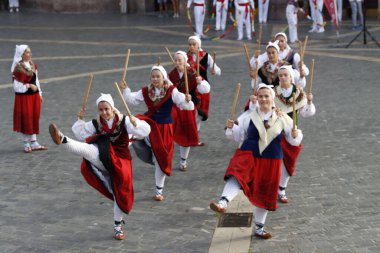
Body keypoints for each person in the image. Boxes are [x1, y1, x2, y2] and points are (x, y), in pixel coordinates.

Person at [48, 93, 151, 240]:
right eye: (101, 110)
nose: (104, 112)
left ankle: (117, 227)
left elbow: (145, 131)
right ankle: (62, 139)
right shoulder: (97, 122)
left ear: (112, 108)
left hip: (121, 160)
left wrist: (137, 124)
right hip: (104, 155)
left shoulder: (124, 120)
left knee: (119, 194)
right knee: (89, 150)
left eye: (106, 109)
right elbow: (80, 132)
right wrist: (80, 119)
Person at [210, 83, 303, 239]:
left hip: (271, 159)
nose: (263, 99)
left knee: (265, 191)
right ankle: (223, 202)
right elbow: (238, 135)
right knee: (236, 174)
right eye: (260, 96)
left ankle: (259, 228)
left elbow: (293, 141)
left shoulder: (283, 118)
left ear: (272, 98)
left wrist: (294, 135)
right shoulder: (248, 116)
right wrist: (230, 128)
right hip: (249, 154)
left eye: (266, 96)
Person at [119, 65, 194, 201]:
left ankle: (158, 191)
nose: (155, 79)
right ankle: (120, 148)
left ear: (163, 77)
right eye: (153, 76)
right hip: (149, 122)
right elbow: (132, 99)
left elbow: (185, 105)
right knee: (132, 124)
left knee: (162, 158)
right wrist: (125, 89)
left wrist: (187, 100)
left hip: (165, 127)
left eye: (157, 76)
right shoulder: (146, 91)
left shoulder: (172, 91)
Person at [274, 65, 315, 203]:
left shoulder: (299, 93)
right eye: (280, 75)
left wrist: (309, 102)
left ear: (291, 77)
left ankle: (282, 188)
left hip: (292, 132)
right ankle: (273, 188)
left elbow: (306, 113)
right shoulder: (273, 93)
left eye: (286, 75)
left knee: (288, 161)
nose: (283, 77)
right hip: (275, 131)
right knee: (275, 160)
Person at [168, 51, 210, 171]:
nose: (177, 62)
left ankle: (183, 161)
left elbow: (205, 89)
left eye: (179, 60)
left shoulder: (192, 73)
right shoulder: (171, 75)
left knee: (185, 135)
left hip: (189, 107)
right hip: (175, 107)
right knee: (168, 130)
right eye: (175, 60)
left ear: (185, 61)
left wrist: (200, 82)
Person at [12, 45, 47, 153]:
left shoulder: (33, 65)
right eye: (27, 52)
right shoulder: (18, 68)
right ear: (21, 54)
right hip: (24, 98)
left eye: (30, 52)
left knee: (33, 118)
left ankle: (34, 142)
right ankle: (26, 143)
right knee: (25, 118)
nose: (30, 54)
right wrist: (29, 86)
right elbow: (16, 86)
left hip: (34, 97)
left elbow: (36, 81)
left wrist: (39, 93)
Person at [187, 35, 221, 146]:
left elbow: (216, 68)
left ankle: (195, 136)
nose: (191, 46)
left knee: (200, 113)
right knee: (193, 112)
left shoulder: (206, 55)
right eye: (190, 44)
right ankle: (192, 137)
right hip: (191, 88)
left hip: (203, 87)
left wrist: (215, 71)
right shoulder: (185, 56)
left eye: (194, 44)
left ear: (198, 45)